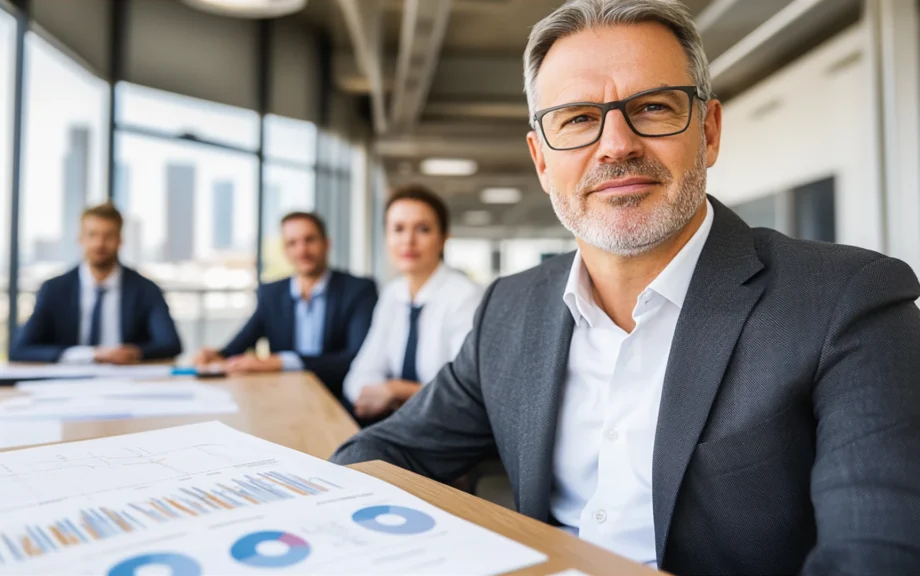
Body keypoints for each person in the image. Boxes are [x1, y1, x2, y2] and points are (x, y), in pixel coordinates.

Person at [332, 1, 920, 574]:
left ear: (708, 132)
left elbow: (878, 552)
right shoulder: (509, 309)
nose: (616, 144)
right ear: (541, 160)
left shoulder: (847, 300)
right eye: (580, 118)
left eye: (654, 107)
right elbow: (383, 456)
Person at [194, 212, 378, 405]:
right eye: (292, 243)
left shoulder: (359, 290)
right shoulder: (271, 293)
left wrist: (282, 362)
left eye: (310, 240)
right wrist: (215, 355)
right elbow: (238, 346)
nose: (302, 250)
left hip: (337, 398)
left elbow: (357, 357)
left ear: (327, 243)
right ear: (285, 250)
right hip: (283, 397)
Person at [343, 185, 482, 424]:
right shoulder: (392, 294)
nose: (408, 240)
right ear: (386, 237)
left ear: (444, 238)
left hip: (449, 431)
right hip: (399, 425)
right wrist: (382, 394)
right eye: (398, 229)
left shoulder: (467, 297)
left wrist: (396, 390)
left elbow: (464, 393)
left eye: (423, 229)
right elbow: (358, 376)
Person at [10, 202, 182, 364]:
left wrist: (134, 352)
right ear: (80, 239)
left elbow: (171, 344)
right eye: (92, 235)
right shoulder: (54, 289)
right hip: (68, 381)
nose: (100, 244)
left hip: (128, 380)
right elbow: (20, 349)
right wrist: (89, 355)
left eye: (108, 236)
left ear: (120, 240)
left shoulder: (145, 289)